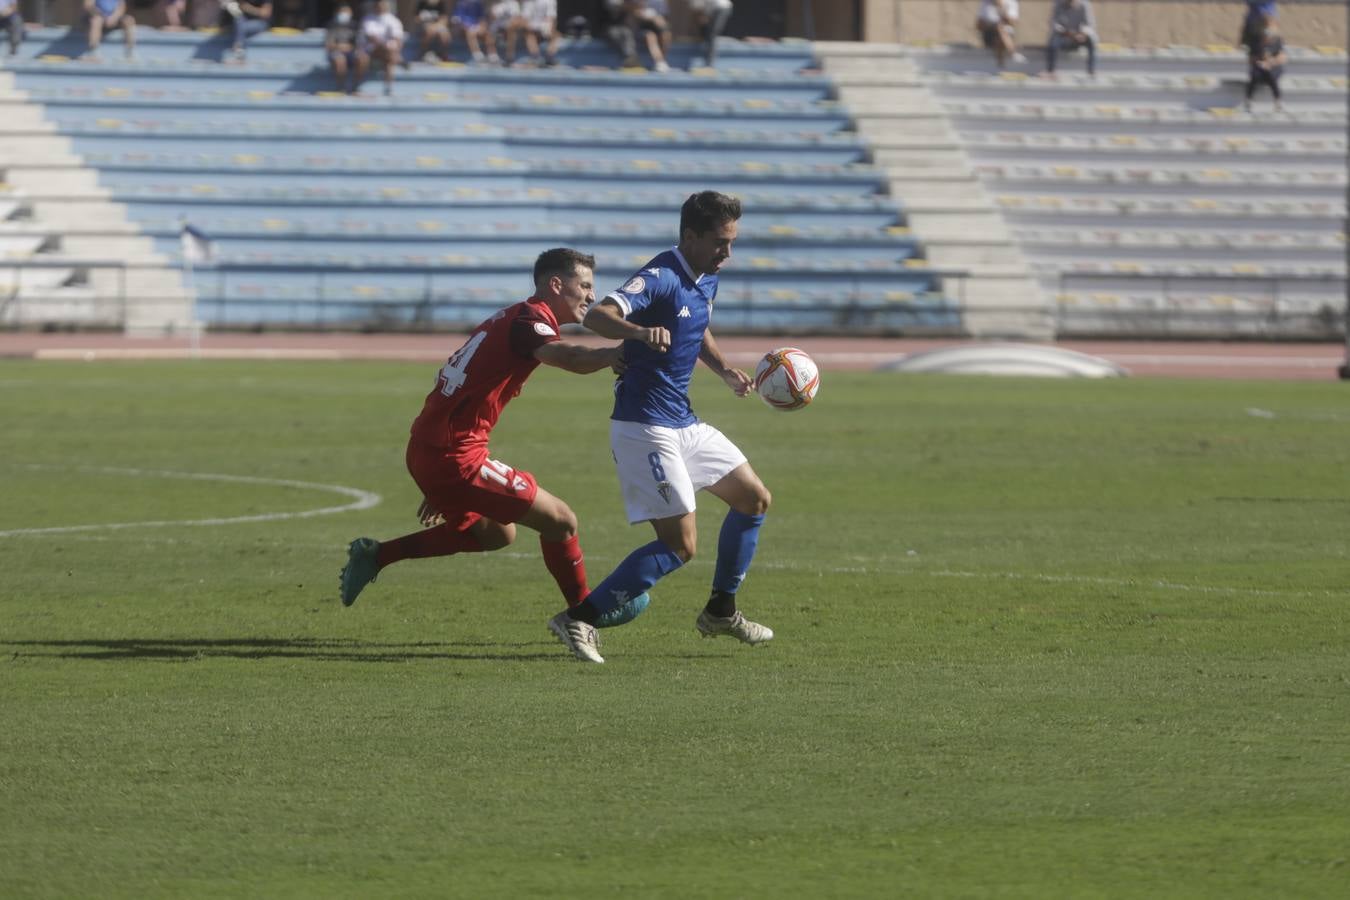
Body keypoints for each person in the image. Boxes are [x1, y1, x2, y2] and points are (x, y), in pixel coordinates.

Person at [340, 249, 643, 630]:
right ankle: (583, 614)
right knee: (562, 521)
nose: (590, 296)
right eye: (584, 285)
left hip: (429, 448)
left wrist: (438, 474)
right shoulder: (529, 321)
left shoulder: (510, 317)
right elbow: (567, 358)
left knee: (497, 533)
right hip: (453, 456)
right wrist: (613, 354)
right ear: (555, 284)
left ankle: (377, 555)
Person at [548, 191, 774, 664]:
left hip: (682, 421)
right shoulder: (661, 276)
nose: (727, 254)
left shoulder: (703, 277)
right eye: (719, 242)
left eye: (732, 242)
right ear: (689, 236)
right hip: (644, 427)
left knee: (753, 498)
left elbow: (697, 324)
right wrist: (636, 332)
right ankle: (579, 619)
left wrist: (724, 369)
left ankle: (721, 610)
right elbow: (596, 315)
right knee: (679, 544)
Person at [360, 0, 406, 95]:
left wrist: (390, 47)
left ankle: (388, 87)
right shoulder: (368, 19)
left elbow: (397, 38)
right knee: (391, 55)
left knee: (390, 59)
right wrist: (386, 45)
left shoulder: (393, 20)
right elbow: (371, 38)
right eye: (378, 4)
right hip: (371, 51)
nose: (380, 6)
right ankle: (399, 59)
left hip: (388, 52)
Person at [1244, 13, 1286, 112]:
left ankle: (1278, 101)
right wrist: (1259, 61)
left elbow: (1282, 57)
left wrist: (1272, 62)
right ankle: (1249, 101)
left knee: (1271, 74)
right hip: (1260, 66)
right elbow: (1251, 58)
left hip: (1273, 67)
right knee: (1254, 75)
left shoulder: (1277, 40)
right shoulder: (1255, 41)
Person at [1045, 0, 1096, 77]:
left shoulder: (1085, 4)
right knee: (1053, 44)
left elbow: (1090, 23)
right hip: (1064, 35)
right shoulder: (1058, 3)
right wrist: (1067, 33)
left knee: (1091, 42)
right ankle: (1051, 71)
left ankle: (1091, 70)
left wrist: (1083, 34)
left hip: (1080, 35)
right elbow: (1054, 23)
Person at [325, 2, 368, 93]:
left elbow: (359, 44)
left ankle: (356, 86)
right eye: (342, 12)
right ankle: (341, 87)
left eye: (346, 12)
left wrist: (345, 47)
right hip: (336, 53)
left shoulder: (355, 26)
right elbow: (329, 45)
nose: (344, 14)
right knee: (340, 59)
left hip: (351, 53)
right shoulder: (332, 25)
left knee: (363, 58)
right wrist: (344, 47)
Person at [975, 0, 1025, 69]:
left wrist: (1001, 9)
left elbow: (1012, 23)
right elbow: (978, 25)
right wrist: (992, 25)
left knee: (1001, 29)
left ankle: (1000, 62)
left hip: (1007, 35)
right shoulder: (986, 2)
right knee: (999, 28)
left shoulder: (1011, 2)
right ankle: (1012, 53)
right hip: (989, 34)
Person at [510, 0, 559, 67]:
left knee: (555, 35)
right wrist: (530, 28)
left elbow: (551, 18)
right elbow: (525, 19)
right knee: (529, 35)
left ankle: (547, 57)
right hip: (533, 27)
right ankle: (538, 58)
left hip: (543, 27)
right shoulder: (528, 3)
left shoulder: (549, 1)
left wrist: (547, 29)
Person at [688, 0, 732, 67]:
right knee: (708, 33)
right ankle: (708, 61)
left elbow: (700, 14)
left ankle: (709, 64)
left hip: (722, 8)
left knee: (712, 34)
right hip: (713, 10)